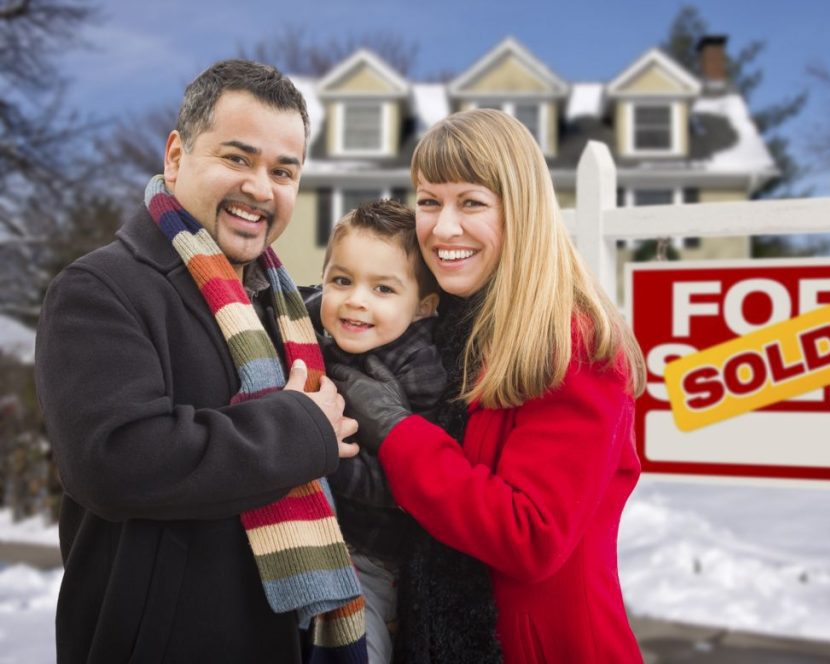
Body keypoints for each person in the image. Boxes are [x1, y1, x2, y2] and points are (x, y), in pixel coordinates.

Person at [34, 60, 369, 664]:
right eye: (237, 159)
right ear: (176, 155)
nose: (261, 189)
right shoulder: (99, 289)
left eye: (283, 171)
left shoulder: (289, 308)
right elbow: (115, 461)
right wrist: (300, 427)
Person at [335, 108, 648, 664]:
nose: (443, 227)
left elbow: (531, 536)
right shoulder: (446, 323)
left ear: (520, 210)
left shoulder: (571, 344)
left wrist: (395, 429)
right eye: (429, 201)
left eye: (471, 202)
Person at [314, 199, 443, 664]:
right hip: (320, 537)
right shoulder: (316, 330)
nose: (356, 300)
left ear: (424, 307)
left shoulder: (418, 366)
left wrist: (324, 462)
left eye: (383, 288)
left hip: (373, 555)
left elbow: (403, 483)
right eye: (342, 280)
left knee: (356, 649)